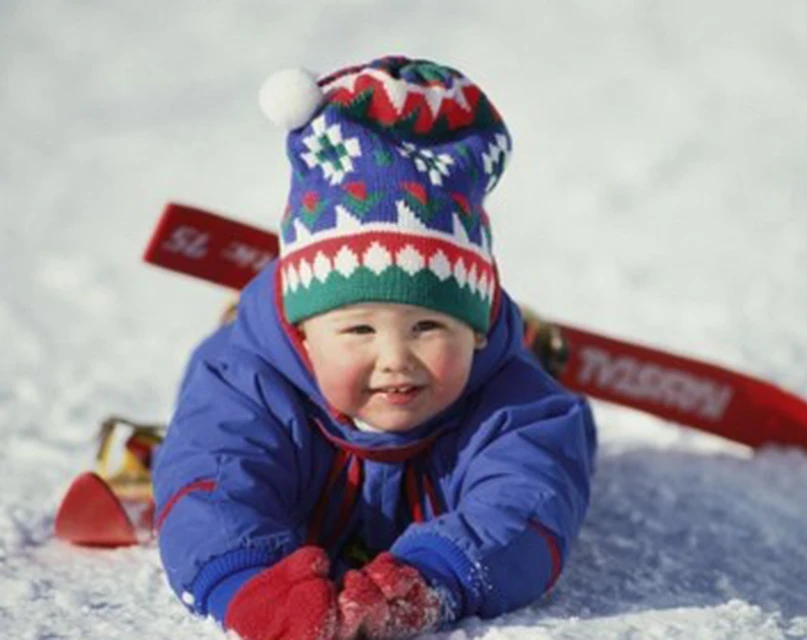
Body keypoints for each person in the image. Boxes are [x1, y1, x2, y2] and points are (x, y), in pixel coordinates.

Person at [153, 55, 597, 640]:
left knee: (529, 390)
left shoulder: (518, 406)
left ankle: (529, 333)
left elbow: (529, 501)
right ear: (302, 332)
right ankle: (245, 314)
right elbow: (210, 482)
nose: (395, 358)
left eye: (428, 328)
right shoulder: (242, 385)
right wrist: (250, 586)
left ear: (480, 327)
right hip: (261, 365)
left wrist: (435, 577)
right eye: (360, 330)